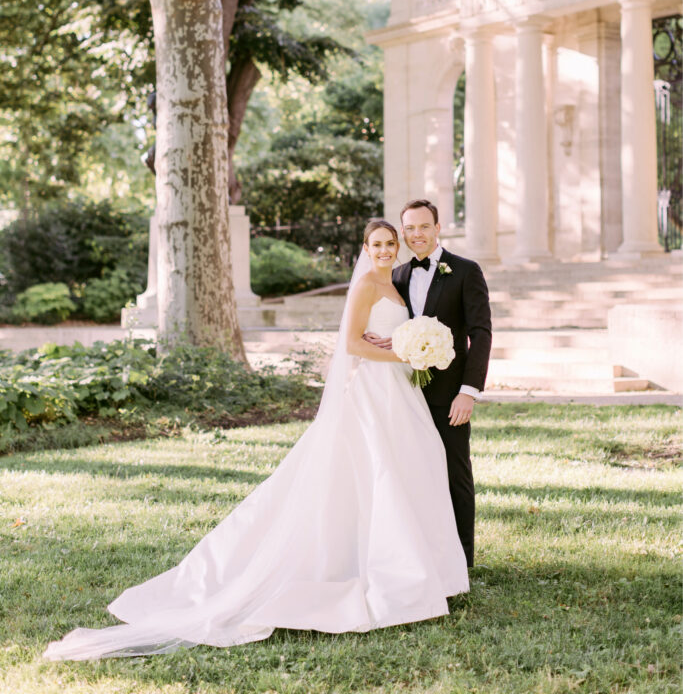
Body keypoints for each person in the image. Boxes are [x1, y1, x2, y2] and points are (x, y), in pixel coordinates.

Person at [43, 218, 468, 661]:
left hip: (399, 393)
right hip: (373, 395)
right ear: (365, 247)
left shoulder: (396, 285)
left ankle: (417, 572)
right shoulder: (365, 285)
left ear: (397, 248)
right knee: (378, 476)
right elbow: (352, 346)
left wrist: (412, 346)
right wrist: (400, 349)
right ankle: (392, 579)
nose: (383, 250)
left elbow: (384, 337)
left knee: (408, 470)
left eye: (389, 244)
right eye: (376, 244)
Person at [365, 200, 492, 567]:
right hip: (404, 392)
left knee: (455, 473)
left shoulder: (467, 271)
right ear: (402, 231)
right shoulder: (398, 274)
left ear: (438, 228)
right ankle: (422, 554)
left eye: (423, 227)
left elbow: (481, 334)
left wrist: (468, 391)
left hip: (449, 394)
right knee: (411, 474)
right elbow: (400, 326)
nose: (416, 234)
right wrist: (391, 342)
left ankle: (462, 561)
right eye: (409, 228)